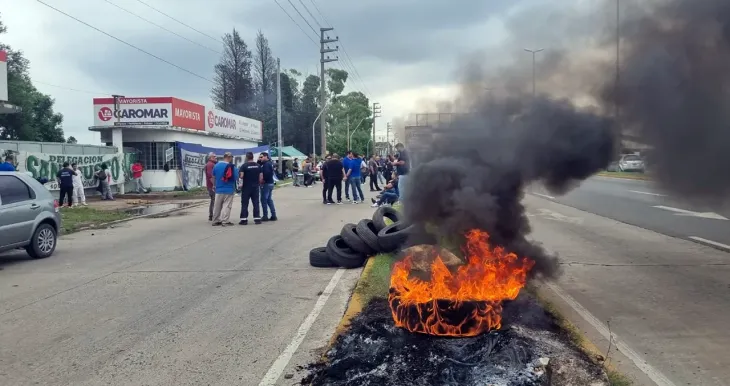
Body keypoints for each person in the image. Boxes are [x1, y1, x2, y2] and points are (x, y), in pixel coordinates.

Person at [211, 152, 237, 226]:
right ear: (229, 157)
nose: (232, 159)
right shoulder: (232, 167)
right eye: (231, 157)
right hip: (229, 189)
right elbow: (236, 177)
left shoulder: (216, 166)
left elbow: (213, 176)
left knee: (217, 206)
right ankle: (225, 221)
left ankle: (215, 220)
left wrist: (214, 185)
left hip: (218, 189)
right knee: (227, 205)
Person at [239, 152, 263, 225]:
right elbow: (261, 177)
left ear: (246, 157)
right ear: (252, 157)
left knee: (244, 203)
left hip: (246, 187)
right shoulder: (258, 165)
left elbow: (241, 176)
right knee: (256, 203)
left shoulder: (244, 166)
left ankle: (244, 220)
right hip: (255, 187)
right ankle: (257, 219)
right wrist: (258, 183)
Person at [259, 152, 278, 221]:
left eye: (261, 157)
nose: (260, 158)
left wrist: (263, 180)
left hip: (266, 184)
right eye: (259, 157)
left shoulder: (266, 164)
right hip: (270, 183)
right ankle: (273, 215)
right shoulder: (269, 163)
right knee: (269, 200)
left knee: (263, 200)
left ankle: (265, 216)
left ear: (266, 156)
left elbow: (266, 173)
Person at [205, 152, 217, 221]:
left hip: (211, 185)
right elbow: (210, 176)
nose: (216, 158)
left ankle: (212, 215)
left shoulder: (212, 164)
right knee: (214, 200)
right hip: (211, 186)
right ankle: (212, 215)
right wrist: (214, 185)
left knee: (214, 200)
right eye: (214, 157)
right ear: (210, 157)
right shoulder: (210, 164)